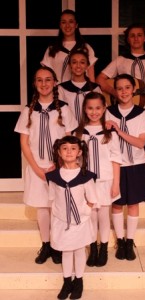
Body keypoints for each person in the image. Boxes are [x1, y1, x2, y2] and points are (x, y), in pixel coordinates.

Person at [96, 24, 145, 202]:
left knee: (144, 148)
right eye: (132, 35)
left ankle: (142, 190)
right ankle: (120, 185)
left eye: (140, 35)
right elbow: (100, 78)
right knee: (118, 147)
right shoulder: (121, 60)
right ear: (128, 38)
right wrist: (114, 92)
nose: (136, 38)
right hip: (122, 110)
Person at [14, 66, 78, 265]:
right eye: (39, 80)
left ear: (55, 83)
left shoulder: (64, 109)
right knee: (42, 208)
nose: (44, 84)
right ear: (35, 84)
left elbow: (71, 138)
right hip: (36, 167)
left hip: (58, 167)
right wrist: (36, 168)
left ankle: (59, 245)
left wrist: (58, 165)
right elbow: (24, 142)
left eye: (48, 79)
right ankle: (46, 244)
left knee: (57, 207)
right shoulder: (29, 110)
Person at [105, 74, 145, 260]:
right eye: (119, 88)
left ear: (134, 89)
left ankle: (130, 241)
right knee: (117, 204)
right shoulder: (108, 112)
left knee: (133, 204)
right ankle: (120, 240)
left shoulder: (142, 113)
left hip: (135, 164)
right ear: (115, 91)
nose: (123, 91)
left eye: (127, 87)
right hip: (115, 165)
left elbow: (141, 143)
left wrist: (118, 130)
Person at [46, 135, 98, 300]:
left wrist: (85, 213)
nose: (69, 151)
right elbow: (52, 198)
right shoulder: (54, 177)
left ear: (79, 152)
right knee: (66, 250)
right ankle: (67, 281)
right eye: (65, 148)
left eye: (73, 148)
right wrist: (57, 216)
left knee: (79, 250)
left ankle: (79, 280)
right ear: (59, 153)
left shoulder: (85, 176)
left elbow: (92, 199)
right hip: (62, 221)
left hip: (80, 221)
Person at [74, 91, 122, 267]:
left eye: (98, 108)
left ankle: (104, 248)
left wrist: (116, 183)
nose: (94, 112)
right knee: (91, 217)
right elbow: (75, 160)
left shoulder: (110, 133)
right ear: (85, 110)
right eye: (90, 108)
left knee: (103, 216)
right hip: (87, 184)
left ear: (103, 109)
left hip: (105, 182)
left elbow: (116, 160)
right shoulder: (79, 133)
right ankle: (92, 248)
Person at [41, 9, 97, 83]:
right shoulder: (52, 49)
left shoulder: (85, 47)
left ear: (76, 25)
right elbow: (46, 75)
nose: (67, 25)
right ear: (60, 25)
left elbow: (91, 76)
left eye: (71, 22)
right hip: (58, 92)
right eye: (64, 22)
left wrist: (92, 93)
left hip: (81, 92)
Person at [58, 48, 102, 123]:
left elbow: (101, 111)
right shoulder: (62, 88)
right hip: (69, 130)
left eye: (82, 62)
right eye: (74, 62)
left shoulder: (95, 88)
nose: (78, 66)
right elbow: (60, 112)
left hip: (90, 130)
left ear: (87, 65)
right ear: (69, 65)